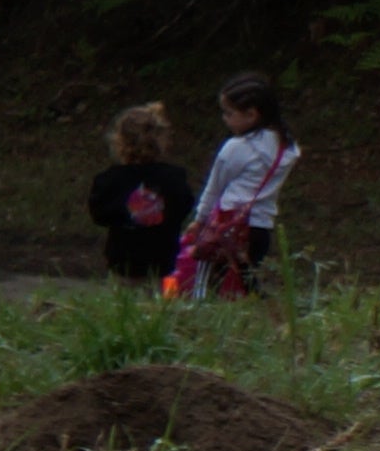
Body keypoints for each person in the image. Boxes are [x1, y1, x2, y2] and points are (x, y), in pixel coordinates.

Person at [174, 74, 293, 298]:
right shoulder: (287, 148)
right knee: (245, 281)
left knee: (207, 284)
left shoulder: (236, 148)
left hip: (226, 225)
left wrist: (199, 221)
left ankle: (201, 321)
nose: (225, 119)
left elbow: (215, 188)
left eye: (229, 113)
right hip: (260, 227)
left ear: (251, 115)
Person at [87, 105, 193, 283]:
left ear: (118, 142)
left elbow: (100, 216)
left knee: (123, 306)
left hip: (123, 261)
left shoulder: (109, 180)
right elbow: (184, 207)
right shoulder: (174, 177)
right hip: (163, 259)